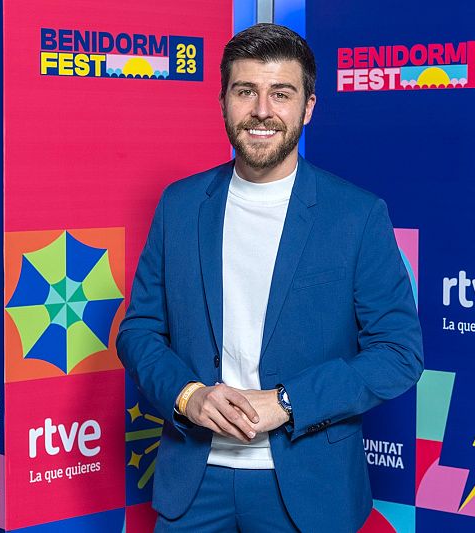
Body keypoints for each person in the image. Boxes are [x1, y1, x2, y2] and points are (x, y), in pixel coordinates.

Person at [116, 23, 423, 532]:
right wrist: (189, 395)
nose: (262, 110)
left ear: (308, 107)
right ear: (223, 102)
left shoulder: (356, 215)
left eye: (281, 94)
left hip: (308, 488)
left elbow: (400, 354)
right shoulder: (180, 205)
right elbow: (139, 331)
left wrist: (288, 402)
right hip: (194, 482)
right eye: (246, 92)